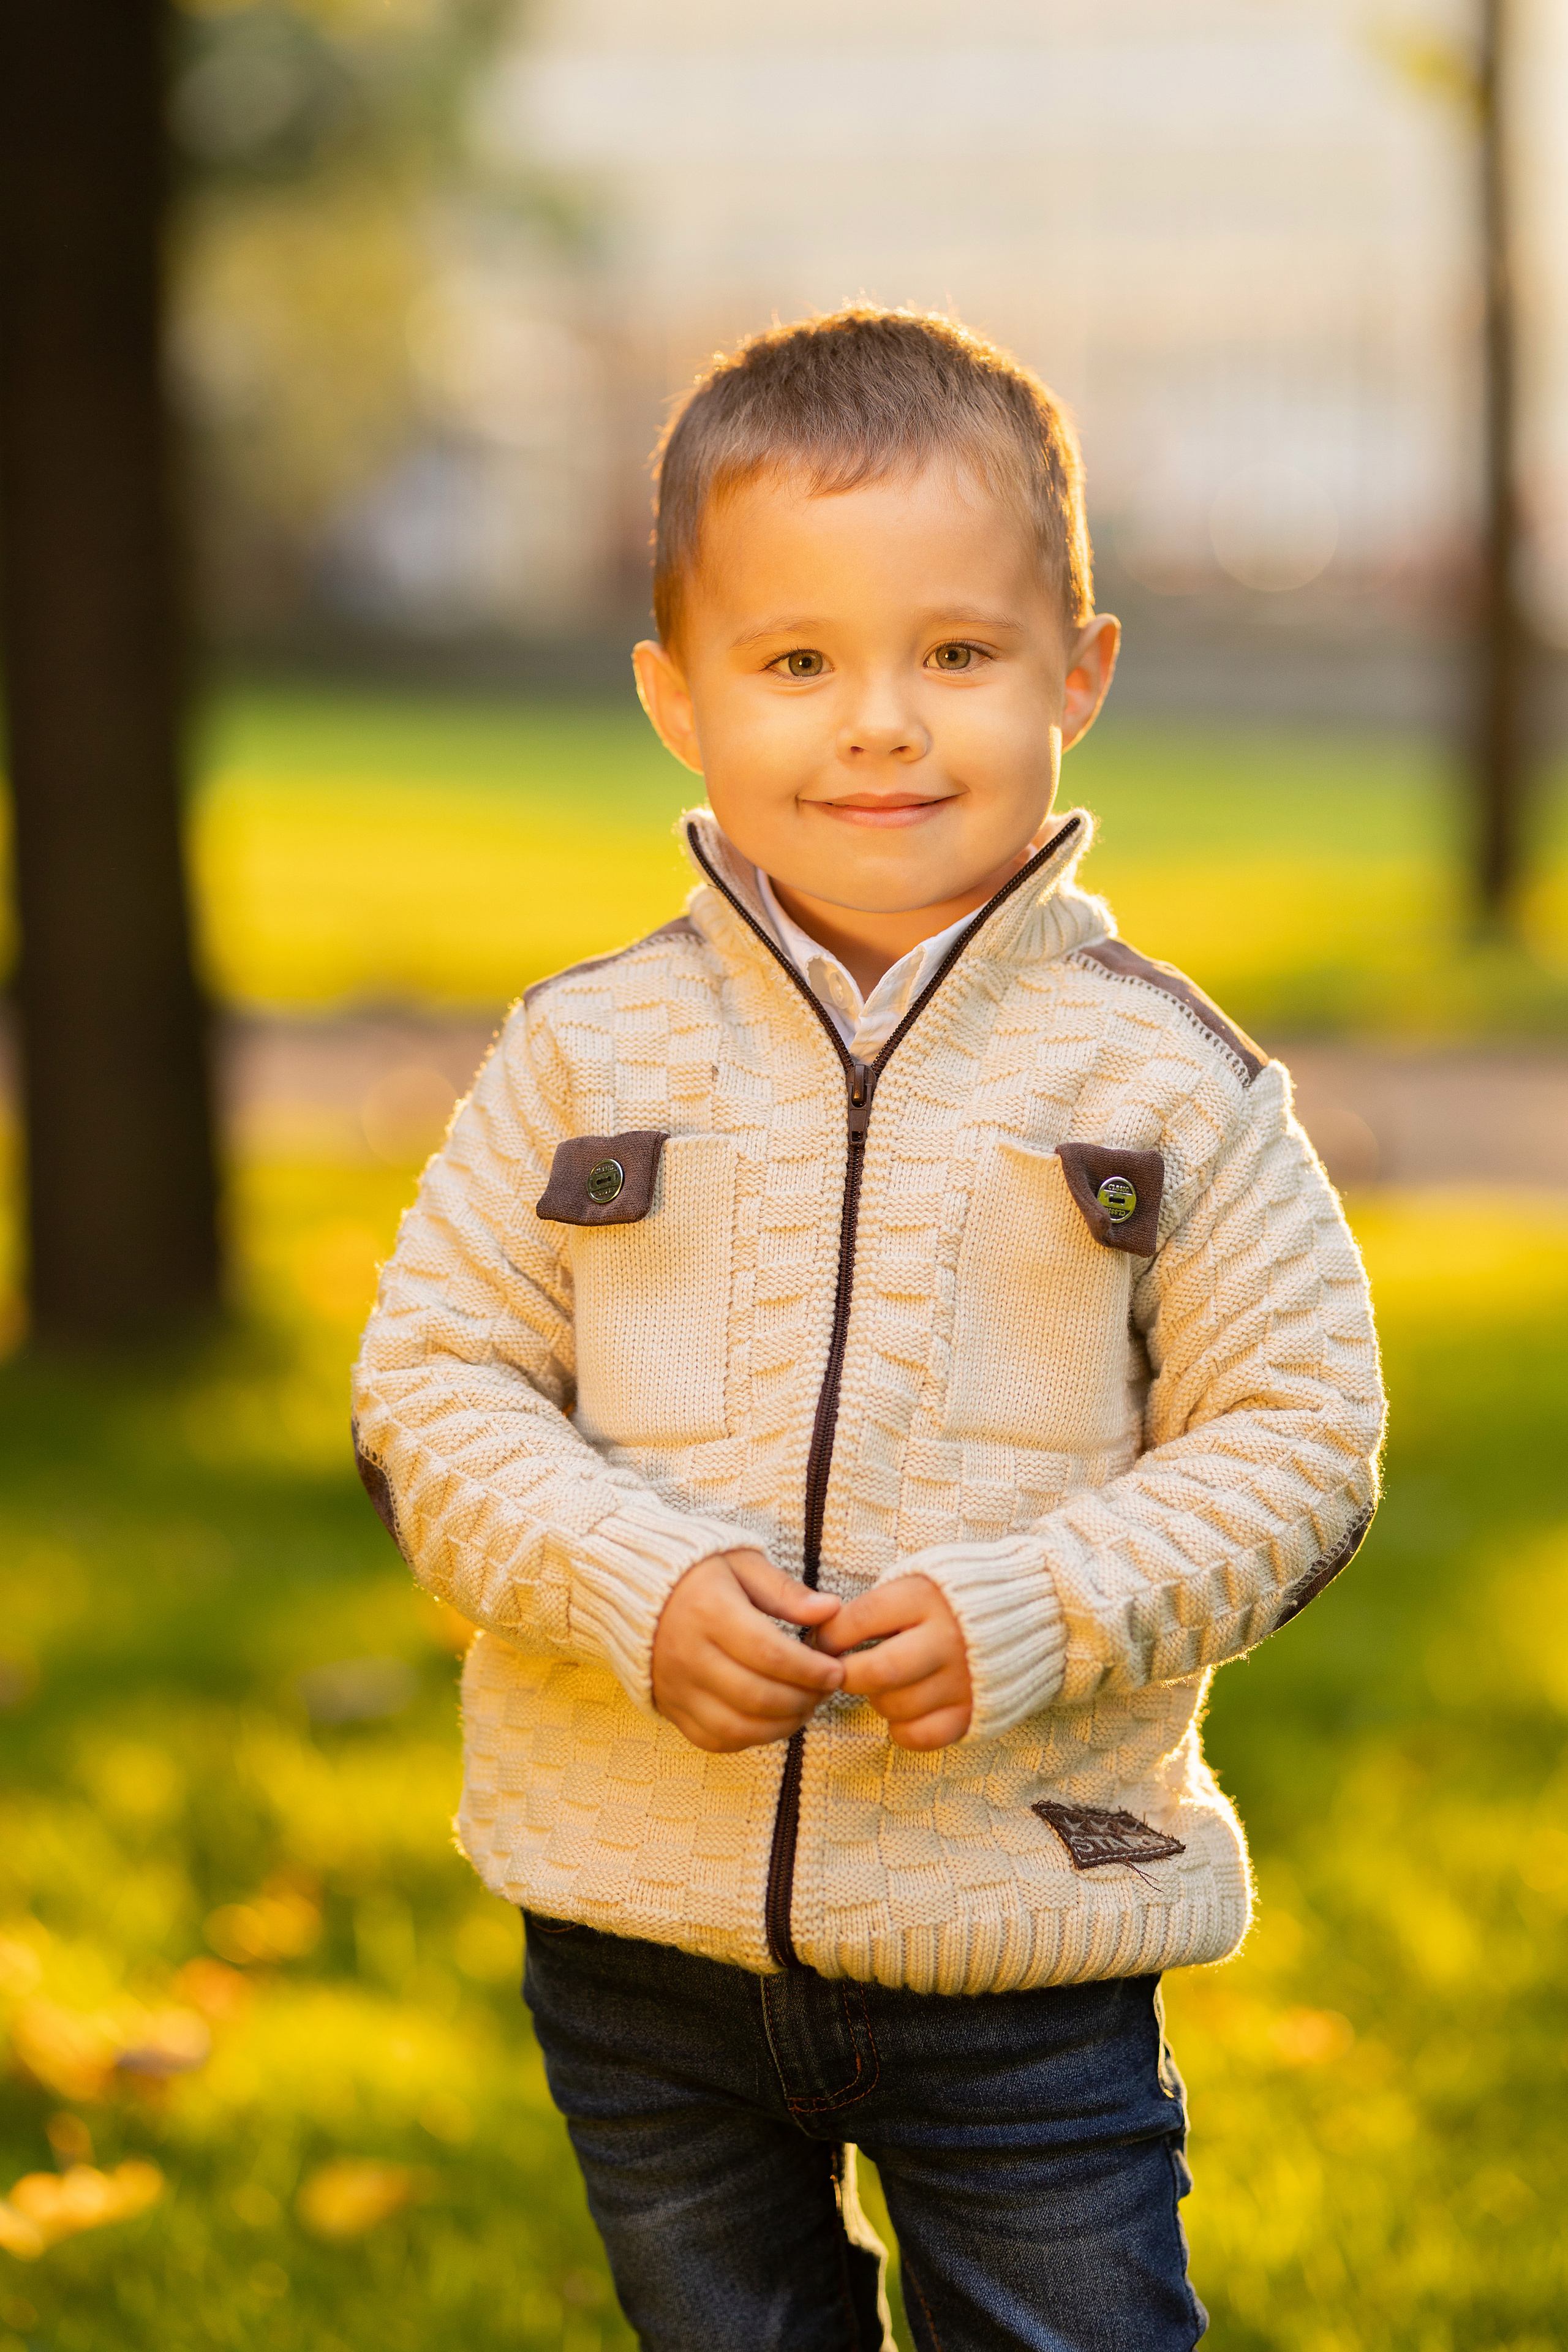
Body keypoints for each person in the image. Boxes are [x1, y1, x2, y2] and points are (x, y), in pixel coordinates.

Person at [351, 306, 1385, 2351]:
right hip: (639, 1918)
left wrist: (1038, 1604)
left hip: (1027, 1931)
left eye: (961, 655)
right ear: (677, 695)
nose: (884, 724)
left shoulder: (1164, 1083)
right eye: (799, 660)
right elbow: (430, 1387)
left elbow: (1299, 1443)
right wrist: (632, 1579)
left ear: (1078, 671)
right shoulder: (587, 1054)